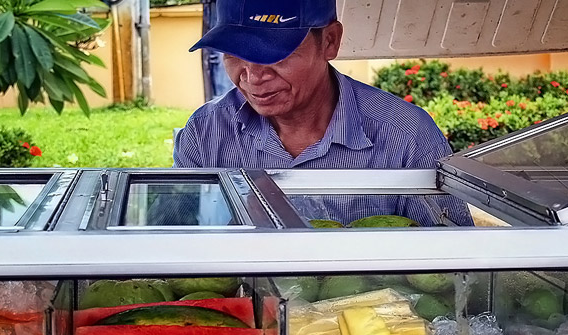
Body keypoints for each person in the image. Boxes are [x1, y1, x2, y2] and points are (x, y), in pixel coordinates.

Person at [174, 0, 472, 226]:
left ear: (330, 40)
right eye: (234, 55)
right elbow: (174, 247)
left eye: (275, 54)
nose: (252, 77)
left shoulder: (407, 136)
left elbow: (450, 268)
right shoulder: (205, 133)